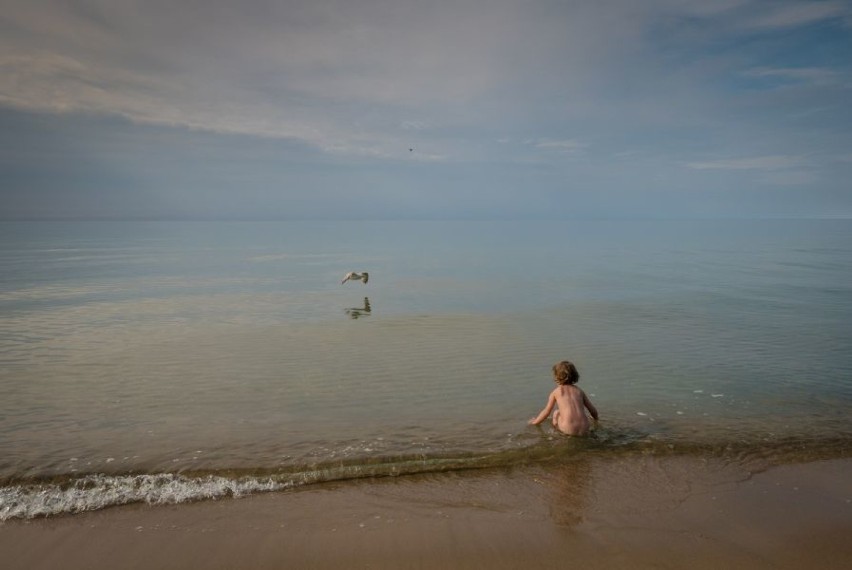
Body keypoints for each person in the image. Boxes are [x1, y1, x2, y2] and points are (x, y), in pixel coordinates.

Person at [529, 360, 599, 436]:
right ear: (575, 375)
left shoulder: (557, 392)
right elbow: (592, 410)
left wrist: (535, 422)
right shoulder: (579, 391)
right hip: (584, 428)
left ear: (556, 377)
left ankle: (557, 431)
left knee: (556, 413)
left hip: (568, 429)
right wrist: (596, 420)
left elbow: (547, 411)